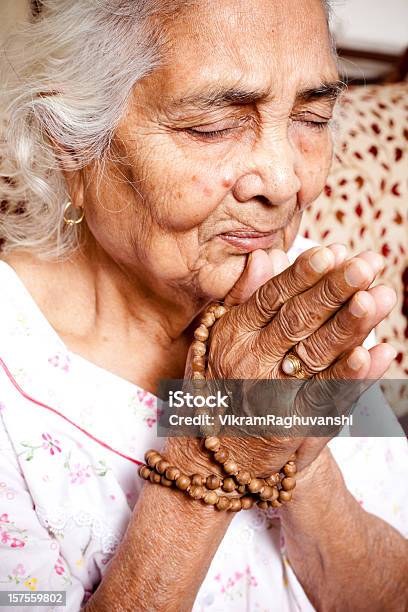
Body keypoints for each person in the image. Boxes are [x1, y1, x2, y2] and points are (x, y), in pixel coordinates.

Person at [0, 0, 407, 610]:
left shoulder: (304, 301)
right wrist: (213, 451)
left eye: (313, 117)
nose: (285, 181)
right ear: (70, 140)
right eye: (212, 128)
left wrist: (285, 440)